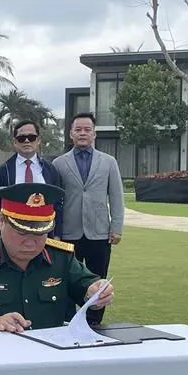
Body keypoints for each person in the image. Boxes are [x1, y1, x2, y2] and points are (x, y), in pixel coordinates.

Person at [0, 183, 113, 332]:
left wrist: (97, 291)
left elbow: (88, 287)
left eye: (40, 234)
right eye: (22, 232)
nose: (31, 243)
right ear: (1, 222)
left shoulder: (61, 258)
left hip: (49, 355)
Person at [52, 112, 124, 325]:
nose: (83, 133)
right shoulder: (59, 163)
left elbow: (116, 196)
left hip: (99, 232)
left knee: (97, 280)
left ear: (94, 133)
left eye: (87, 130)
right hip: (68, 233)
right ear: (71, 134)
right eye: (78, 130)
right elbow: (56, 201)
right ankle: (67, 321)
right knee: (65, 278)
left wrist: (117, 226)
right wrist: (55, 231)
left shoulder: (109, 162)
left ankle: (94, 322)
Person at [0, 119, 64, 239]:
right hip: (14, 233)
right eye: (21, 138)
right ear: (15, 142)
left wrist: (57, 234)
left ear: (38, 141)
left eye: (31, 137)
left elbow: (57, 204)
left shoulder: (50, 170)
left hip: (45, 233)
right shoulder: (4, 170)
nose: (27, 141)